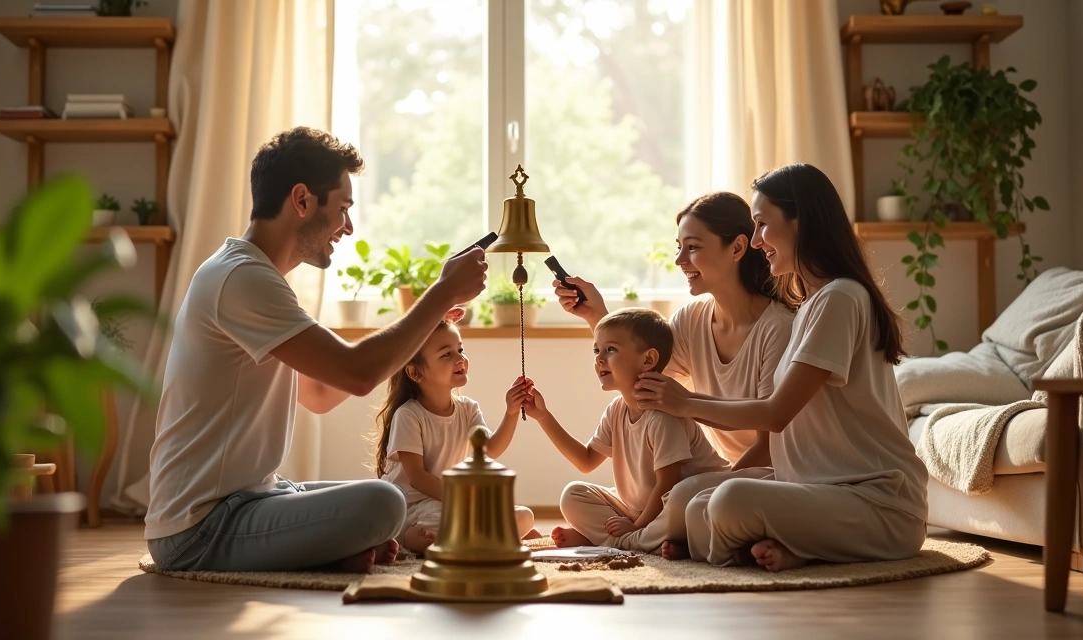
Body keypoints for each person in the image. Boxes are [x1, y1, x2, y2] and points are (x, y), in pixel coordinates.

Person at [144, 127, 488, 573]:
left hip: (254, 497)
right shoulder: (242, 279)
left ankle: (338, 548)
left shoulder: (258, 279)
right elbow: (357, 375)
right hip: (200, 526)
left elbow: (320, 395)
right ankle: (339, 545)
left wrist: (420, 329)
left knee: (391, 501)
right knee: (384, 502)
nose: (348, 227)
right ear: (302, 200)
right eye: (343, 209)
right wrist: (440, 294)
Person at [635, 163, 928, 571]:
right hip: (811, 487)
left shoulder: (840, 298)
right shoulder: (813, 303)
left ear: (800, 222)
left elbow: (775, 414)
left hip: (876, 502)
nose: (756, 241)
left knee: (728, 502)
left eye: (762, 225)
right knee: (687, 497)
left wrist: (686, 404)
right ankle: (794, 546)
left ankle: (785, 545)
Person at [555, 192, 795, 556]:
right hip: (714, 480)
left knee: (684, 494)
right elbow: (639, 378)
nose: (680, 260)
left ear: (737, 248)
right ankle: (653, 537)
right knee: (581, 495)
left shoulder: (777, 328)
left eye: (693, 248)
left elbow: (767, 446)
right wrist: (597, 315)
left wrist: (715, 494)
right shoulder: (691, 319)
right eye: (679, 247)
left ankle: (633, 541)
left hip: (764, 476)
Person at [523, 308, 728, 551]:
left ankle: (625, 540)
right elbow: (586, 461)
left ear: (648, 360)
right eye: (596, 350)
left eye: (610, 350)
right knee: (573, 495)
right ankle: (643, 541)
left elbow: (667, 485)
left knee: (681, 499)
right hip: (637, 509)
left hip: (683, 503)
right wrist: (543, 417)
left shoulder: (662, 415)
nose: (599, 359)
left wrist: (637, 525)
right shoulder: (616, 410)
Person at [373, 319, 539, 554]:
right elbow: (417, 477)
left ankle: (464, 539)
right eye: (446, 354)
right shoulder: (409, 414)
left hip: (456, 504)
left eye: (460, 350)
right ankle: (482, 537)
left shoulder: (468, 409)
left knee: (525, 516)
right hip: (414, 508)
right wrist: (463, 500)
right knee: (424, 528)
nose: (460, 358)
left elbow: (489, 450)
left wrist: (511, 413)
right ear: (415, 372)